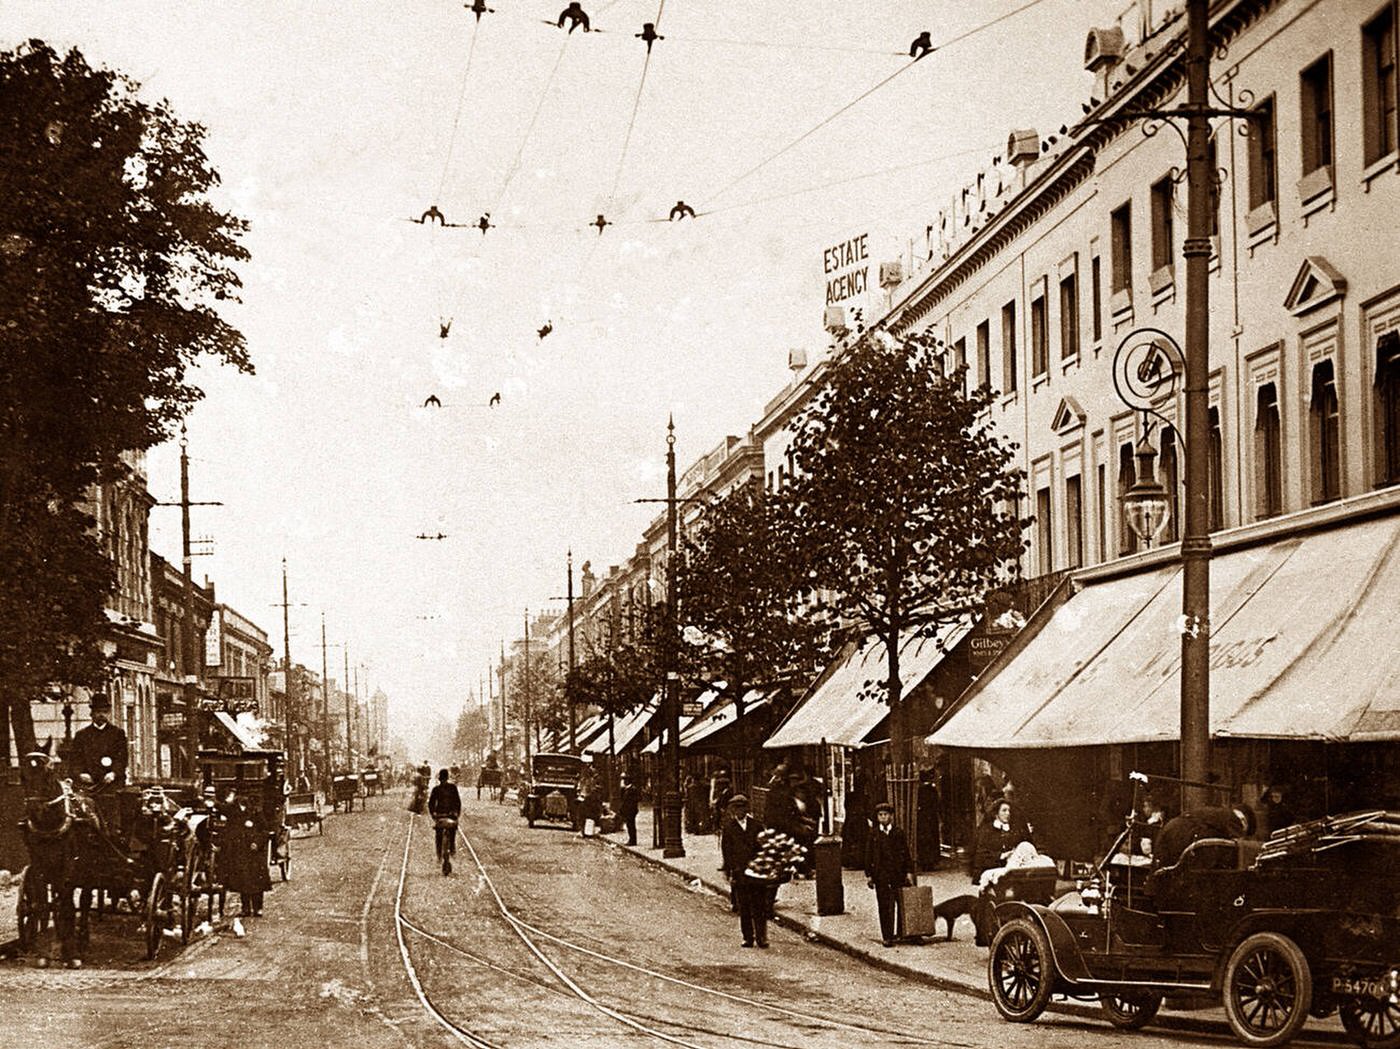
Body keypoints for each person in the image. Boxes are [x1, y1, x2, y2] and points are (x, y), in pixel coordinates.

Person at [720, 795, 769, 948]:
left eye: (741, 807)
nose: (738, 811)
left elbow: (764, 847)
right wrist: (730, 870)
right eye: (735, 808)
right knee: (744, 906)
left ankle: (762, 937)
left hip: (755, 871)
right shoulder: (729, 828)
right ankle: (748, 937)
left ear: (747, 809)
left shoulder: (757, 826)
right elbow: (727, 851)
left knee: (759, 906)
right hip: (740, 872)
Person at [865, 801, 914, 947]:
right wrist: (869, 875)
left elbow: (906, 854)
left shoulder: (898, 833)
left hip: (897, 874)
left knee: (901, 903)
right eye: (880, 815)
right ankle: (887, 936)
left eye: (885, 815)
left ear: (891, 816)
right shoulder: (874, 834)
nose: (883, 818)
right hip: (881, 876)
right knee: (884, 906)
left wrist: (909, 872)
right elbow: (868, 855)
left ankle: (901, 933)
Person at [218, 787, 271, 919]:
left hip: (254, 851)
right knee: (243, 880)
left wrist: (258, 843)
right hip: (240, 850)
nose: (242, 800)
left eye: (245, 797)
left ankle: (258, 908)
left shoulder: (256, 812)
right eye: (240, 797)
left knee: (256, 880)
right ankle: (246, 908)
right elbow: (220, 808)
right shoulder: (232, 810)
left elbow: (265, 830)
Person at [1153, 804, 1254, 869]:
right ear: (1244, 822)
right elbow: (1236, 846)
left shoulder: (1214, 813)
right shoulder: (1234, 818)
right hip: (1186, 837)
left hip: (1171, 830)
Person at [69, 693, 128, 789]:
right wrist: (80, 774)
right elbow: (75, 760)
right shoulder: (82, 735)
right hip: (87, 783)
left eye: (105, 712)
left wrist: (113, 773)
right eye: (98, 712)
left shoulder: (117, 734)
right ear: (91, 714)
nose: (101, 715)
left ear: (109, 713)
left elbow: (122, 759)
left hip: (111, 783)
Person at [970, 800, 1022, 883]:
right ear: (996, 814)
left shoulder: (1012, 829)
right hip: (989, 869)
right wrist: (1001, 855)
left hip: (1009, 868)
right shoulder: (986, 831)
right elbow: (980, 855)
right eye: (1004, 810)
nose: (1008, 813)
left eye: (1009, 811)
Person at [428, 769, 461, 874]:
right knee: (448, 832)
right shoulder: (452, 788)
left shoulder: (437, 789)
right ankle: (449, 849)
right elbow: (458, 803)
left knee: (441, 833)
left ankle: (441, 852)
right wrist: (456, 814)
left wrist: (433, 814)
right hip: (447, 815)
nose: (443, 781)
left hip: (443, 815)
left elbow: (431, 804)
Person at [915, 768, 942, 870]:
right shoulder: (932, 789)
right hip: (931, 818)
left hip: (922, 818)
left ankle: (924, 862)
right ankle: (930, 862)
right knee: (931, 839)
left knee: (924, 840)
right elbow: (936, 803)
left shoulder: (919, 790)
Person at [618, 771, 641, 846]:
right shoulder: (626, 789)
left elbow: (638, 798)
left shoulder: (633, 789)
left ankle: (633, 840)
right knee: (629, 825)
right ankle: (631, 839)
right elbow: (621, 798)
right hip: (628, 810)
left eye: (625, 780)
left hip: (631, 810)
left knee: (631, 826)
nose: (623, 781)